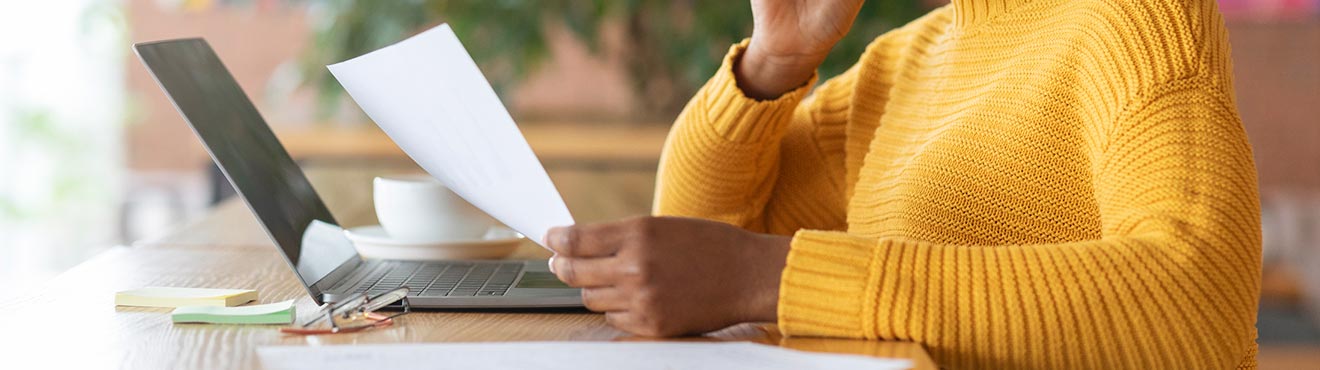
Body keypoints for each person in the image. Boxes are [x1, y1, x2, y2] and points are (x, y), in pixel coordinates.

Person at [544, 0, 1261, 368]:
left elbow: (1198, 298)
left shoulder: (1141, 19)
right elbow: (701, 237)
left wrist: (770, 275)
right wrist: (773, 61)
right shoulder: (906, 60)